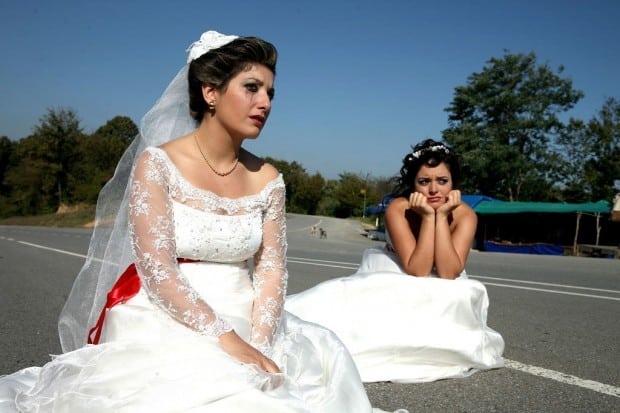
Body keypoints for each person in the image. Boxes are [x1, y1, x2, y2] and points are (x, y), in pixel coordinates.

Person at [0, 30, 403, 413]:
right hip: (169, 313)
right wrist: (228, 340)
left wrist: (259, 341)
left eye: (270, 92)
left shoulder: (269, 180)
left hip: (249, 311)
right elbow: (157, 269)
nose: (265, 102)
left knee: (307, 373)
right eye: (251, 87)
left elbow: (270, 269)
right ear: (210, 91)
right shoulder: (158, 164)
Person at [286, 139, 505, 383]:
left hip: (442, 278)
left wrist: (441, 217)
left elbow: (449, 272)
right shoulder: (398, 209)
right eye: (424, 182)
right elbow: (418, 269)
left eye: (442, 181)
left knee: (453, 296)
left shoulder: (465, 214)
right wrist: (427, 217)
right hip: (397, 270)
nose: (434, 190)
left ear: (453, 184)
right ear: (413, 185)